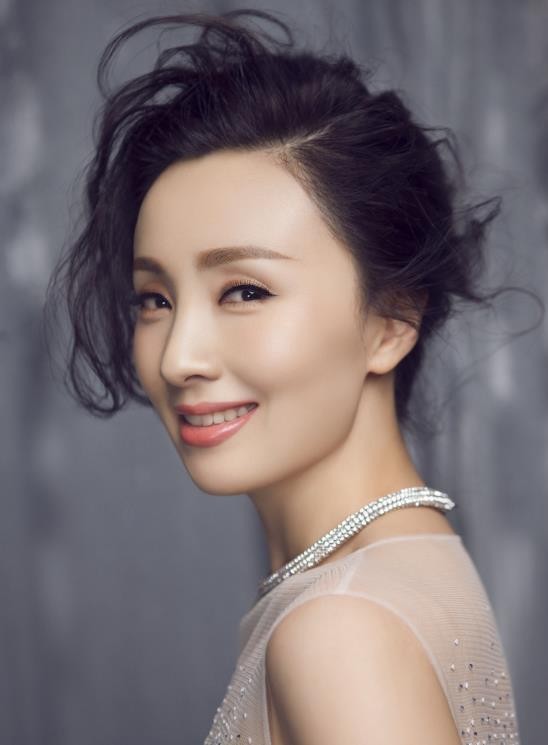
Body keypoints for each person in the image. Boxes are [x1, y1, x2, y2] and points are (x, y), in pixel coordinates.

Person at [43, 8, 524, 744]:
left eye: (244, 291)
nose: (177, 358)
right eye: (155, 299)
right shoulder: (398, 564)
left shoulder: (339, 628)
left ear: (391, 321)